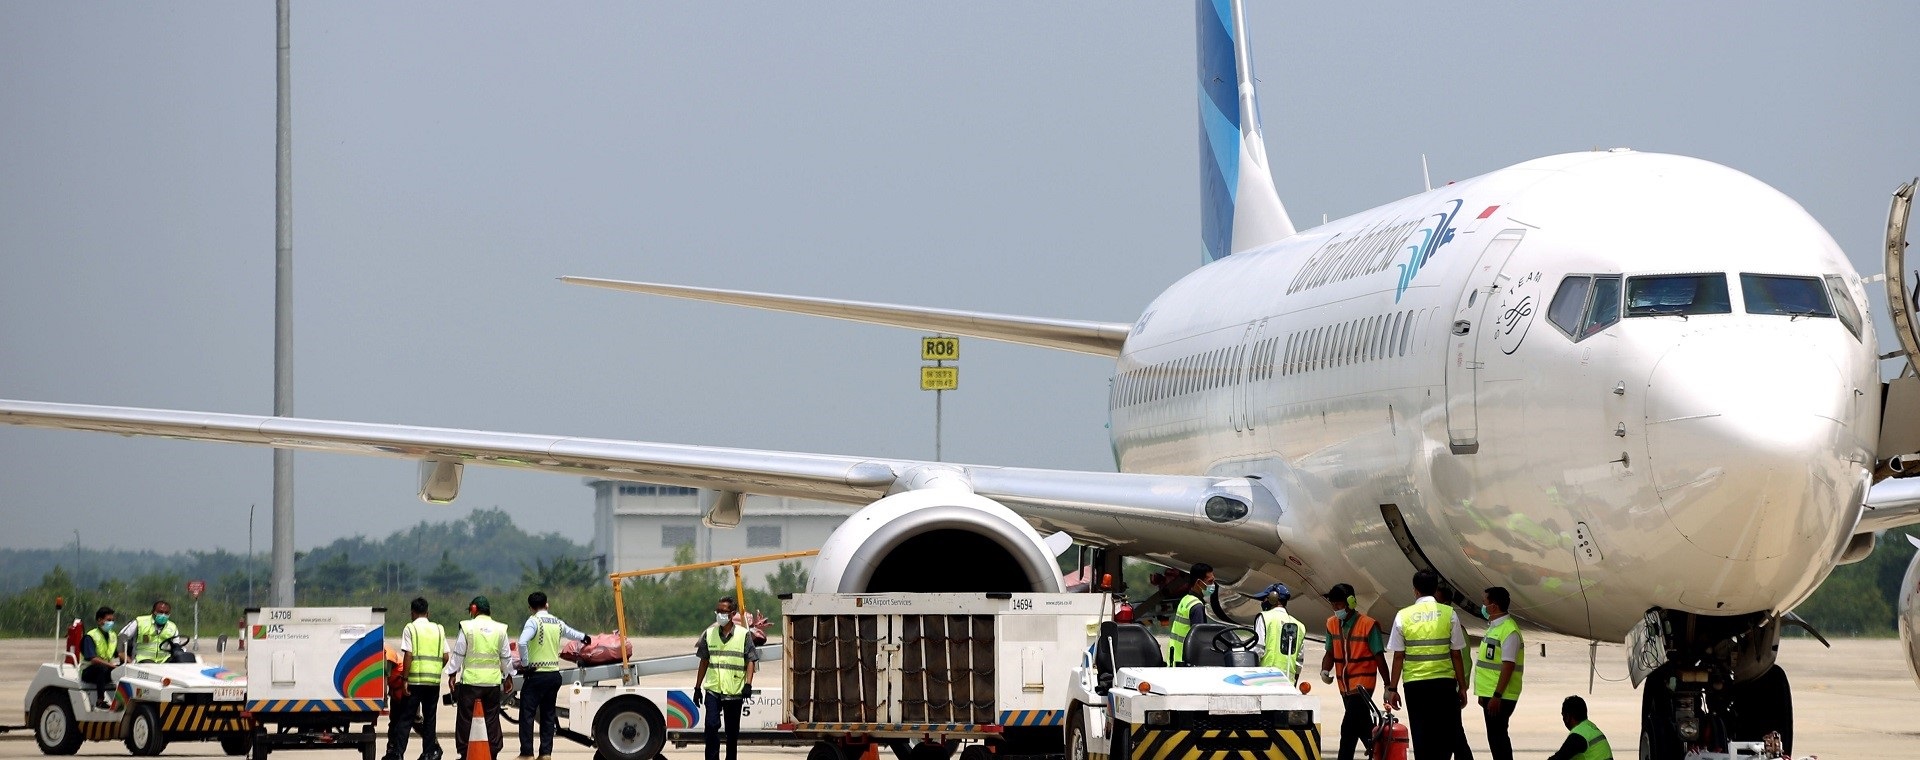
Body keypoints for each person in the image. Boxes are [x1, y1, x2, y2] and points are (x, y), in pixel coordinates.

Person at [1383, 571, 1472, 760]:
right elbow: (1456, 654)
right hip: (1444, 684)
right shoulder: (1450, 614)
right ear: (1434, 589)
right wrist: (1462, 687)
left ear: (1415, 591)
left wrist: (1392, 688)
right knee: (1446, 734)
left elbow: (1399, 656)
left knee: (1421, 733)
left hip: (1415, 685)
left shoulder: (1403, 615)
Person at [516, 592, 591, 760]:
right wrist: (585, 638)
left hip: (536, 676)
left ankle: (527, 753)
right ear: (547, 605)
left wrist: (526, 664)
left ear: (530, 608)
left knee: (527, 714)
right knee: (548, 715)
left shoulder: (533, 621)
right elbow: (572, 633)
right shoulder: (557, 622)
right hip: (553, 676)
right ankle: (546, 753)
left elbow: (522, 642)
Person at [1319, 583, 1388, 760]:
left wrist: (1389, 686)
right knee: (1362, 726)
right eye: (1333, 605)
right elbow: (1330, 652)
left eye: (1339, 604)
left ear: (1351, 602)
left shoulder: (1368, 625)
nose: (1335, 609)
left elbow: (1379, 657)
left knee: (1348, 729)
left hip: (1363, 687)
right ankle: (1381, 753)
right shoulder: (1331, 623)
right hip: (1344, 686)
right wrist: (1325, 670)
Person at [447, 597, 513, 760]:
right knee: (492, 719)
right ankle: (492, 752)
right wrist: (509, 676)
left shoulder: (467, 627)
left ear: (474, 609)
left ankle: (465, 753)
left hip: (471, 683)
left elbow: (459, 652)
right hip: (492, 683)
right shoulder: (500, 629)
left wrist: (452, 673)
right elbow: (506, 657)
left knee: (465, 720)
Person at [693, 596, 758, 760]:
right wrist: (697, 687)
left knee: (732, 732)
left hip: (734, 690)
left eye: (723, 611)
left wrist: (748, 684)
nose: (720, 614)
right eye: (718, 611)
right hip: (713, 689)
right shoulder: (709, 634)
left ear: (732, 614)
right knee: (711, 726)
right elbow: (704, 661)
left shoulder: (744, 635)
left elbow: (751, 660)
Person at [386, 598, 446, 760]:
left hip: (414, 682)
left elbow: (409, 655)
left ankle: (397, 753)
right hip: (433, 682)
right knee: (429, 719)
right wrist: (435, 669)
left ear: (412, 613)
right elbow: (446, 656)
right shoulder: (439, 629)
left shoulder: (410, 628)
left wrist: (405, 679)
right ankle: (428, 753)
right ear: (428, 612)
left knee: (405, 719)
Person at [1474, 587, 1523, 760]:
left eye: (1484, 602)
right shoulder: (1495, 627)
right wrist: (1484, 694)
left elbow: (1508, 665)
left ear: (1493, 607)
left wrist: (1496, 695)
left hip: (1502, 695)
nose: (1482, 606)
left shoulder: (1509, 631)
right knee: (1495, 737)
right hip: (1492, 694)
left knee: (1498, 738)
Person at [1251, 583, 1305, 682]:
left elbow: (1258, 650)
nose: (1263, 602)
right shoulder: (1299, 626)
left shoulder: (1264, 617)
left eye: (1265, 598)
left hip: (1265, 679)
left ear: (1273, 598)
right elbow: (1299, 662)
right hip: (1288, 681)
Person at [1167, 563, 1214, 665]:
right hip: (1187, 665)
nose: (1213, 585)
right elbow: (1200, 642)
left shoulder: (1186, 600)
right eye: (1210, 582)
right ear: (1199, 583)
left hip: (1175, 660)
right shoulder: (1197, 607)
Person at [1546, 696, 1611, 760]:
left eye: (1563, 715)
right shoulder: (1591, 728)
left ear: (1567, 717)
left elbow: (1559, 757)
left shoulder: (1578, 734)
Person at [80, 606, 117, 709]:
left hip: (106, 668)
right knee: (101, 669)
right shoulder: (90, 636)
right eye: (108, 620)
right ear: (99, 620)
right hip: (89, 671)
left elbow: (117, 653)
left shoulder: (112, 635)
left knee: (123, 671)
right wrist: (112, 666)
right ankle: (100, 701)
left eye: (113, 620)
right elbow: (93, 659)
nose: (111, 623)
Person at [120, 600, 179, 664]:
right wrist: (122, 654)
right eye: (160, 612)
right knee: (150, 664)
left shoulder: (172, 627)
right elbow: (122, 636)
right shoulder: (140, 622)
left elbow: (177, 644)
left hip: (163, 661)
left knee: (186, 657)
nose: (163, 615)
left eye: (166, 613)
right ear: (153, 612)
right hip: (142, 660)